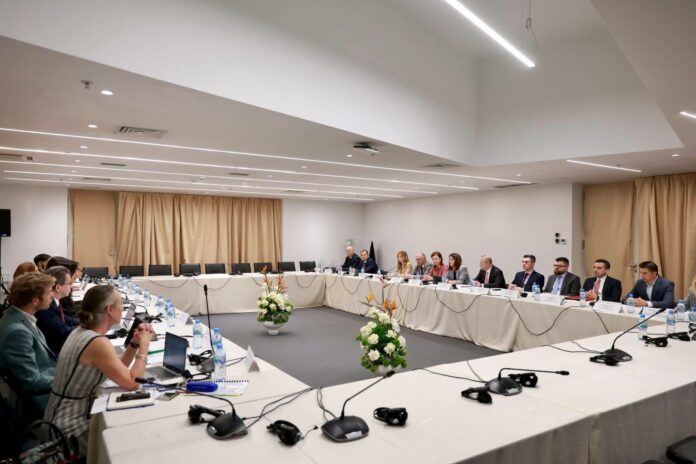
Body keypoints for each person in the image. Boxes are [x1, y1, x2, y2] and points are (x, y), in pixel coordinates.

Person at [44, 285, 155, 457]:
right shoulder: (97, 343)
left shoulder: (81, 332)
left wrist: (134, 343)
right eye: (121, 305)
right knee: (134, 437)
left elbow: (118, 368)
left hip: (58, 419)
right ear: (109, 310)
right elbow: (133, 383)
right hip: (68, 431)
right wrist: (145, 345)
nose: (123, 309)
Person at [0, 273, 57, 421]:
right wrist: (65, 378)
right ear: (35, 300)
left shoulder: (16, 317)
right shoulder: (17, 331)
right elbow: (31, 381)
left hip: (46, 382)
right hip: (40, 400)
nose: (52, 295)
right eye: (48, 292)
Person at [36, 266, 79, 355]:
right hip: (56, 353)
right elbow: (63, 331)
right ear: (58, 287)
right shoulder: (46, 307)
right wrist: (91, 327)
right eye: (70, 283)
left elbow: (66, 319)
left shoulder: (55, 302)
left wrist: (87, 322)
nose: (72, 286)